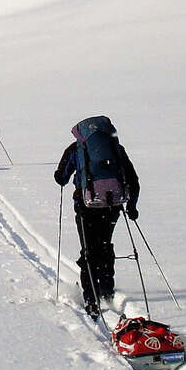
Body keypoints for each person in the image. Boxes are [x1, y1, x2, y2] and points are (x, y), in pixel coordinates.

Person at [54, 118, 140, 318]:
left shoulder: (76, 149)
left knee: (89, 250)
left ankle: (91, 299)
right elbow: (133, 180)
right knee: (105, 244)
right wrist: (132, 207)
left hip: (86, 208)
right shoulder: (115, 148)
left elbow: (62, 177)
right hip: (112, 207)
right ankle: (107, 289)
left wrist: (63, 175)